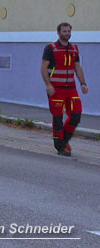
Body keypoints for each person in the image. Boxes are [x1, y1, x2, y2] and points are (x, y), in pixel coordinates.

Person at [40, 22, 89, 156]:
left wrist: (83, 83)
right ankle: (60, 146)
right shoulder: (50, 48)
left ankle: (64, 140)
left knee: (76, 115)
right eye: (64, 31)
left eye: (69, 31)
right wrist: (48, 85)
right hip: (56, 89)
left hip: (71, 88)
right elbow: (43, 68)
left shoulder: (74, 49)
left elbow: (77, 67)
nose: (67, 33)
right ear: (58, 33)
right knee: (58, 118)